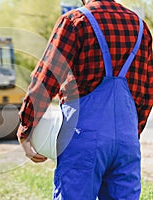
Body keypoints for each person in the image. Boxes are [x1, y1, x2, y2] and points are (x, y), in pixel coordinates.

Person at [17, 0, 152, 199]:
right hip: (127, 141)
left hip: (82, 138)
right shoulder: (141, 28)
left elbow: (47, 78)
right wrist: (131, 133)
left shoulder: (75, 21)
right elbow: (148, 92)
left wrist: (26, 126)